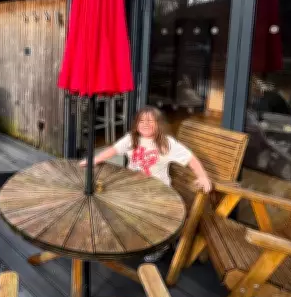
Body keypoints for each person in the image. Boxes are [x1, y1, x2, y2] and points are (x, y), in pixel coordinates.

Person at [80, 106, 212, 262]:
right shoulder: (131, 139)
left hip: (157, 191)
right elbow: (113, 150)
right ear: (136, 124)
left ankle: (161, 245)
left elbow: (191, 158)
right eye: (141, 120)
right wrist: (95, 159)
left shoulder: (166, 143)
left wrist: (203, 176)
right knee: (104, 196)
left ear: (159, 124)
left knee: (153, 218)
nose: (145, 123)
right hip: (132, 188)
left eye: (150, 120)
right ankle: (123, 236)